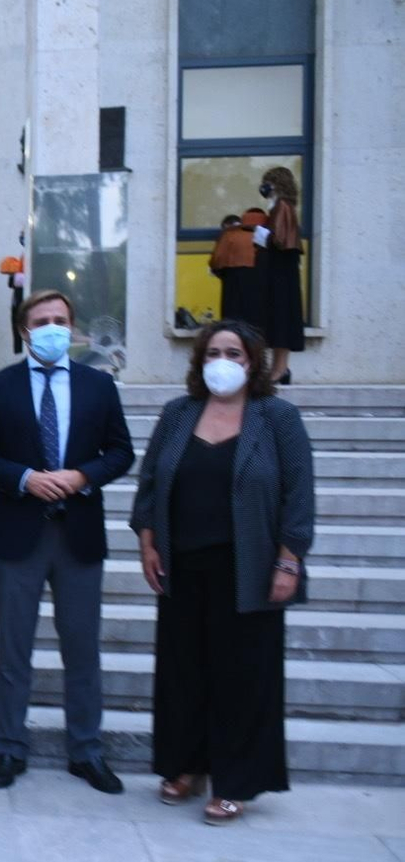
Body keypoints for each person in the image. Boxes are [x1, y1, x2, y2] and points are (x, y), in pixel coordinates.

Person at [130, 320, 313, 825]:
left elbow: (299, 493)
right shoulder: (177, 414)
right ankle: (186, 766)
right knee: (183, 671)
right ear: (200, 361)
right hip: (181, 565)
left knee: (242, 677)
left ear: (252, 362)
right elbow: (149, 484)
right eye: (213, 352)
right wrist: (147, 542)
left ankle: (235, 781)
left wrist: (288, 559)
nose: (222, 361)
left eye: (233, 352)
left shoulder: (277, 417)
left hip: (249, 568)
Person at [0, 290, 135, 793]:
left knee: (82, 649)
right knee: (14, 650)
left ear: (73, 326)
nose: (51, 327)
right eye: (41, 321)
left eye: (60, 320)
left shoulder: (98, 386)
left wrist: (82, 476)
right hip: (19, 534)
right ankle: (9, 748)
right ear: (25, 331)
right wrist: (23, 477)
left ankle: (86, 751)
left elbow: (121, 451)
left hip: (79, 536)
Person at [254, 166, 305, 384]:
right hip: (282, 270)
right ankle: (279, 368)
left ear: (276, 183)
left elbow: (279, 240)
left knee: (281, 318)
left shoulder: (282, 206)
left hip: (280, 272)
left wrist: (261, 236)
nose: (265, 187)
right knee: (279, 319)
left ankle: (280, 369)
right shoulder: (283, 207)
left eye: (268, 182)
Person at [208, 213, 256, 328]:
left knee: (231, 313)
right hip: (254, 277)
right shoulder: (253, 233)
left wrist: (215, 269)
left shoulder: (228, 234)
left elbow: (217, 258)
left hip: (232, 276)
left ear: (226, 225)